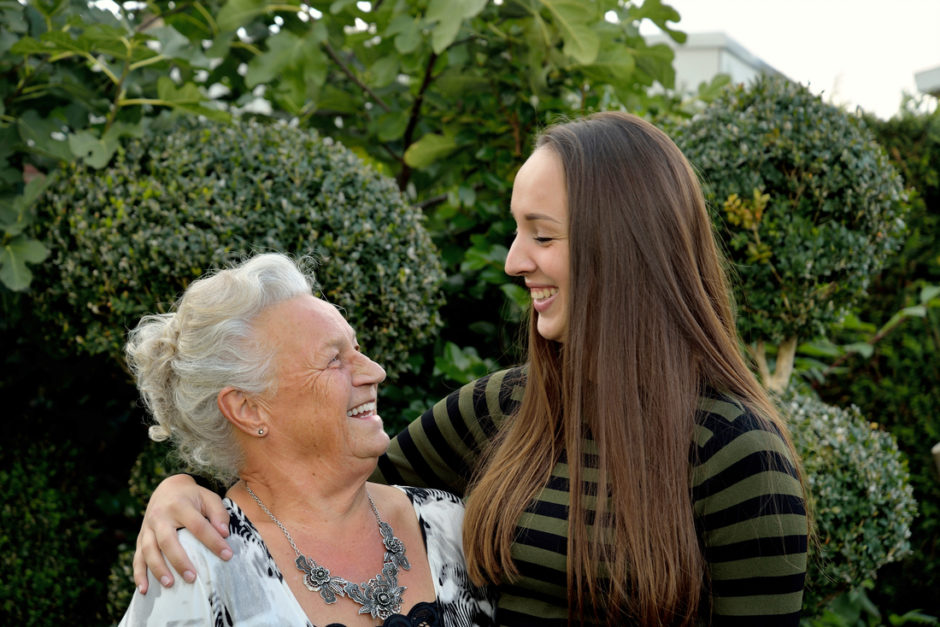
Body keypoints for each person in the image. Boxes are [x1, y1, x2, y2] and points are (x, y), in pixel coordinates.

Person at [132, 113, 809, 625]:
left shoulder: (734, 452)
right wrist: (187, 491)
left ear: (624, 248)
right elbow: (322, 481)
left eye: (542, 235)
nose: (515, 261)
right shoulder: (503, 410)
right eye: (517, 232)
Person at [117, 253, 495, 626]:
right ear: (248, 409)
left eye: (357, 349)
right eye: (333, 360)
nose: (375, 372)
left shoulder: (448, 524)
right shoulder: (197, 569)